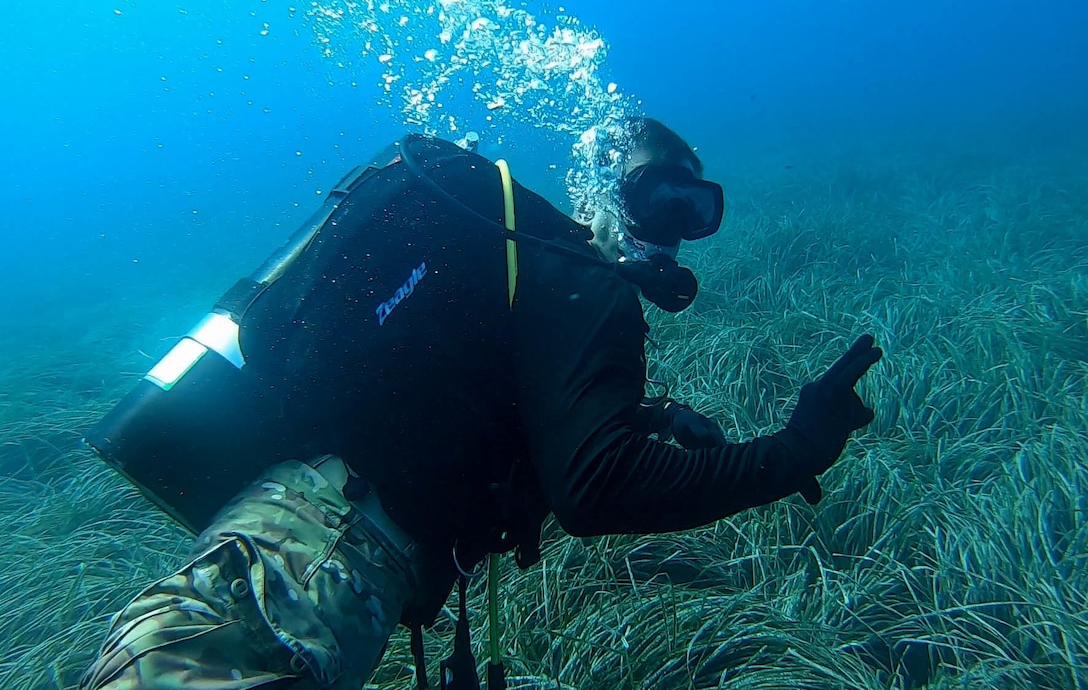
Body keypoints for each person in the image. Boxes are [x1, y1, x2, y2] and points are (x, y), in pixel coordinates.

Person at [79, 118, 882, 690]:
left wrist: (651, 415)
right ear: (610, 193)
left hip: (288, 540)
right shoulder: (586, 283)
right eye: (660, 198)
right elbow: (595, 488)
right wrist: (793, 450)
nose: (671, 231)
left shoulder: (528, 263)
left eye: (694, 209)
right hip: (306, 577)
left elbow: (492, 398)